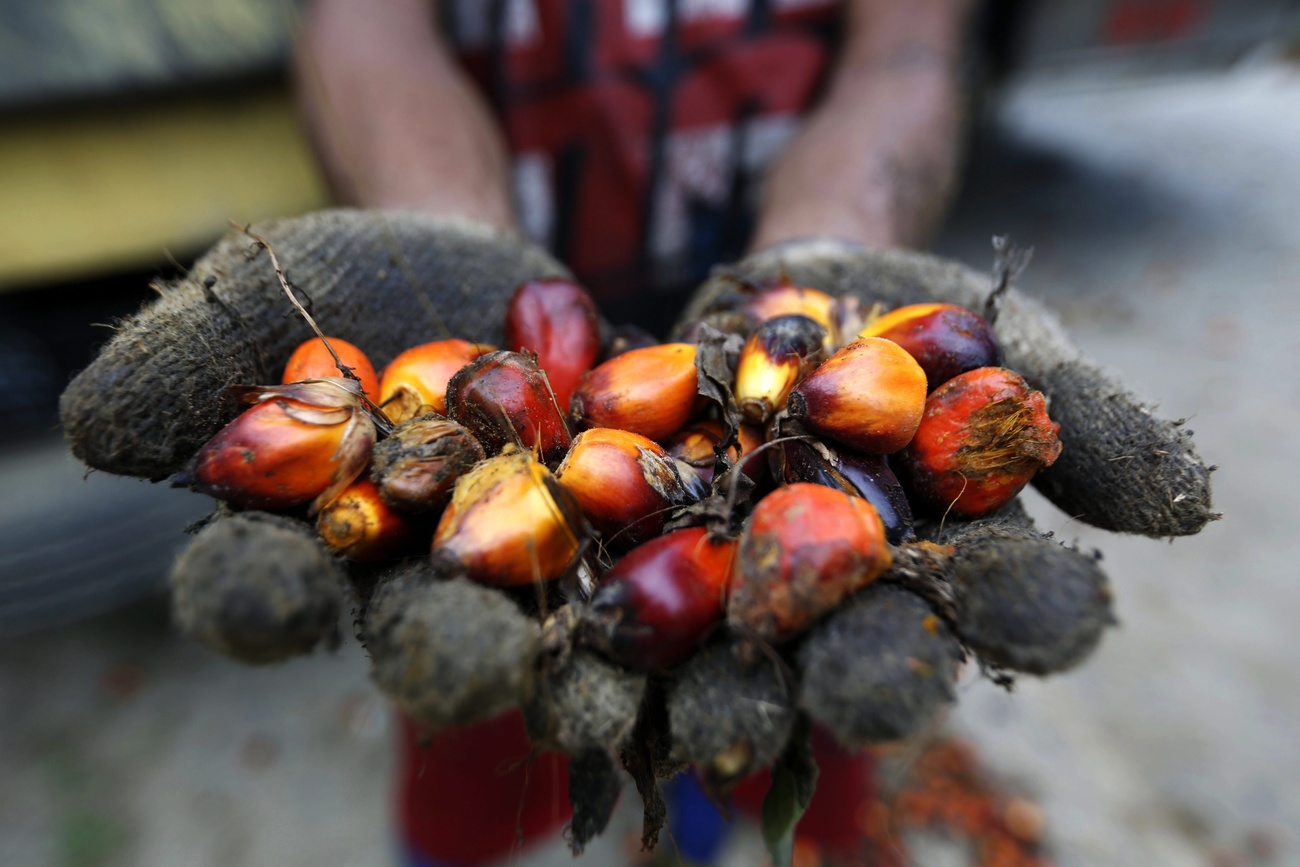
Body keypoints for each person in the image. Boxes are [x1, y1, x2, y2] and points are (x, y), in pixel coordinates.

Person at [294, 1, 976, 865]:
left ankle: (699, 832)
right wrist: (442, 233)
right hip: (521, 326)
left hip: (760, 324)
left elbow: (908, 43)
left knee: (764, 718)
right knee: (476, 696)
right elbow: (364, 22)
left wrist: (834, 251)